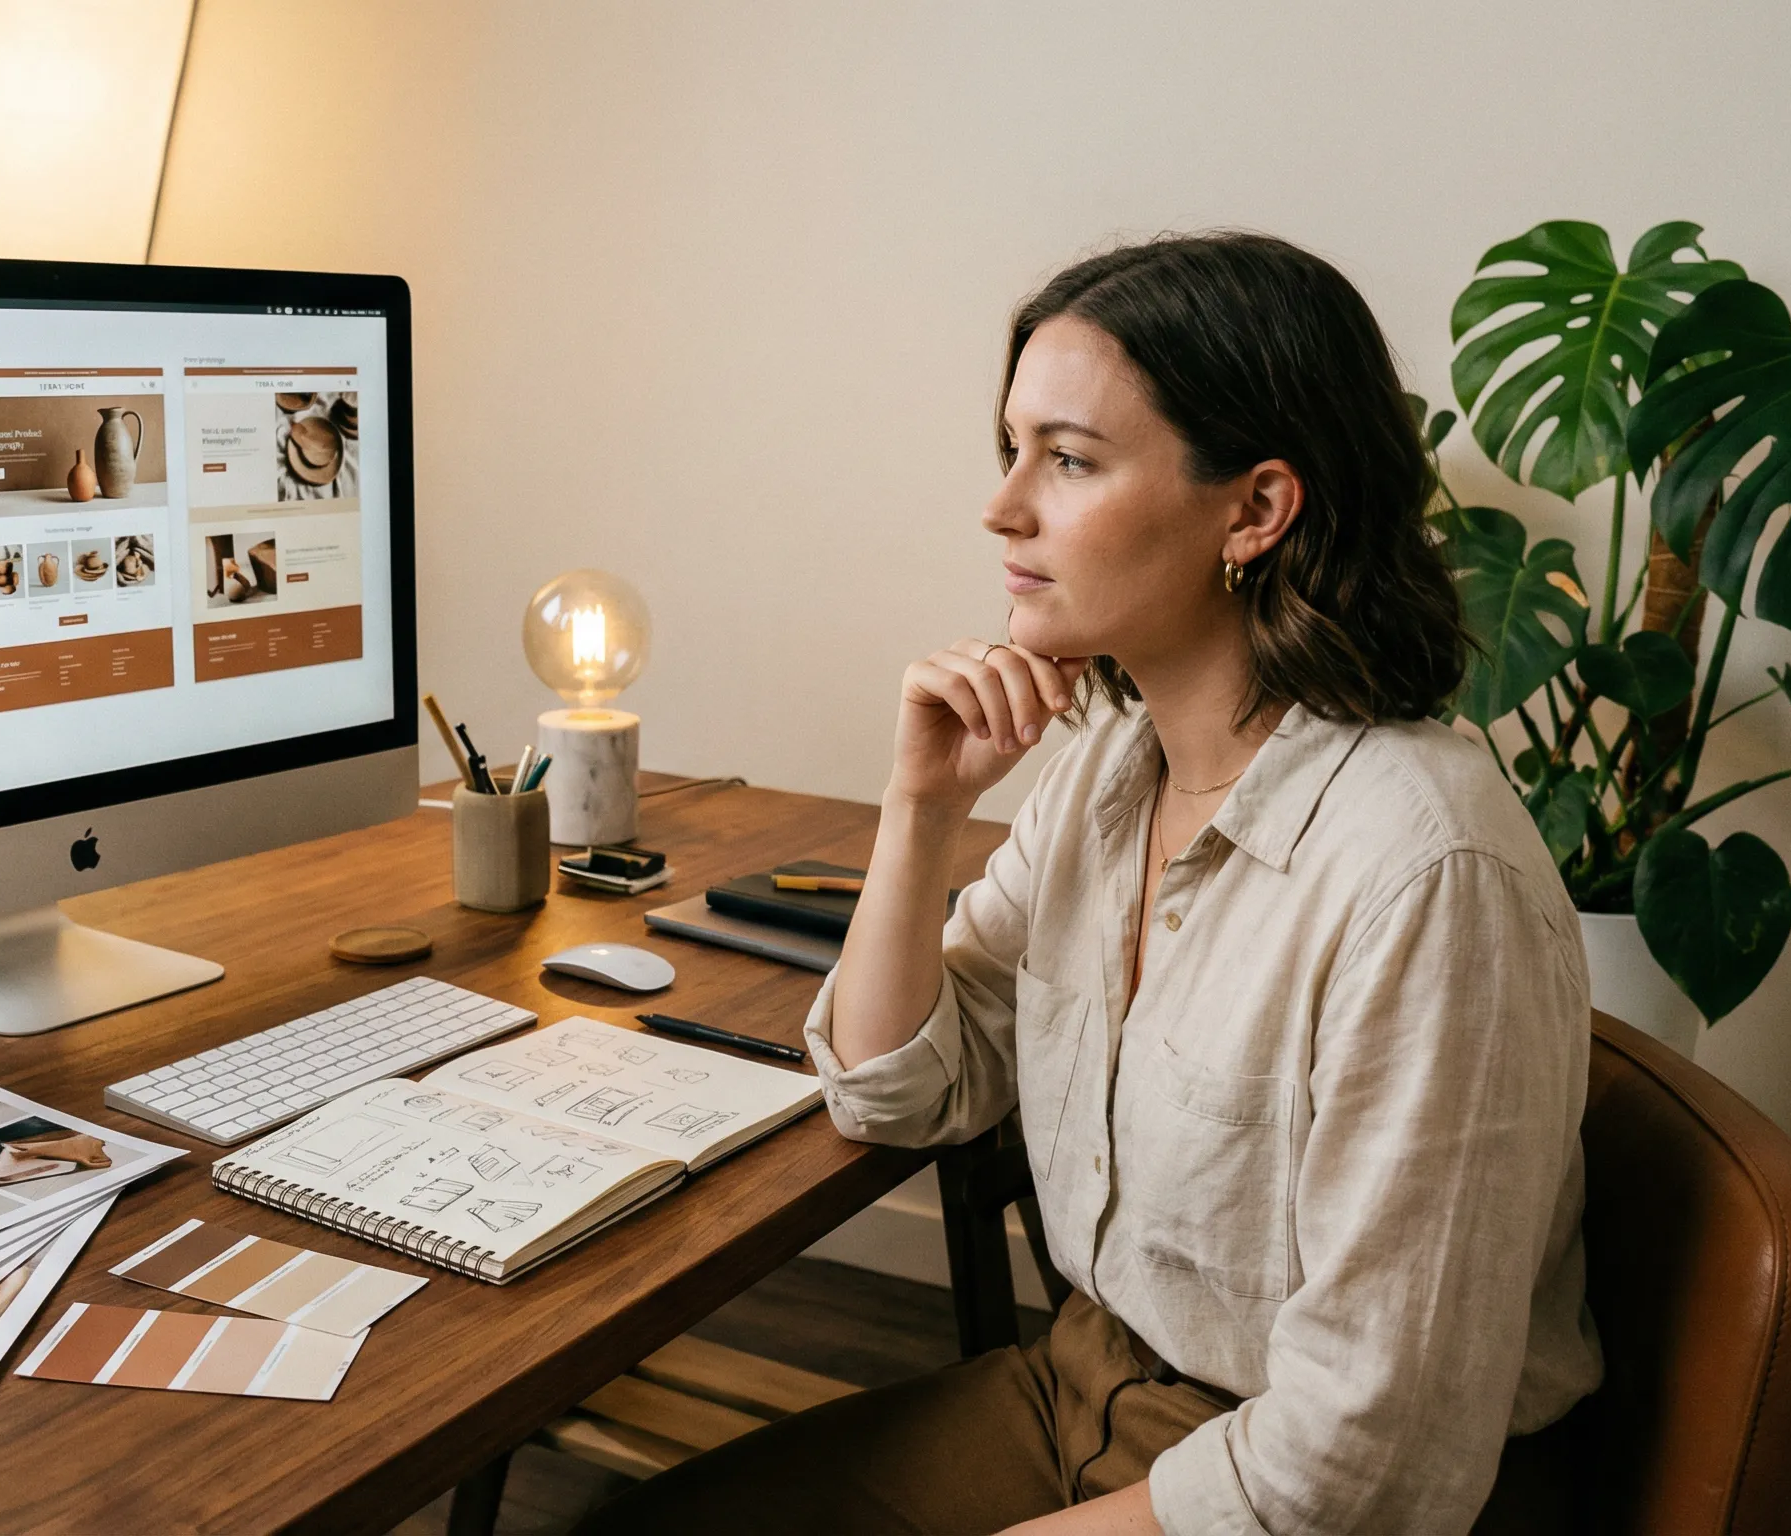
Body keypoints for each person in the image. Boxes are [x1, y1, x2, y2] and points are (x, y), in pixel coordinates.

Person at [575, 233, 1601, 1534]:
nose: (1003, 508)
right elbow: (901, 1087)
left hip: (1289, 1485)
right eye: (1011, 452)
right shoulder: (1118, 770)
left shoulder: (1422, 875)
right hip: (1085, 1389)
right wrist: (924, 809)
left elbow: (1365, 1464)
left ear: (1255, 509)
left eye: (1067, 460)